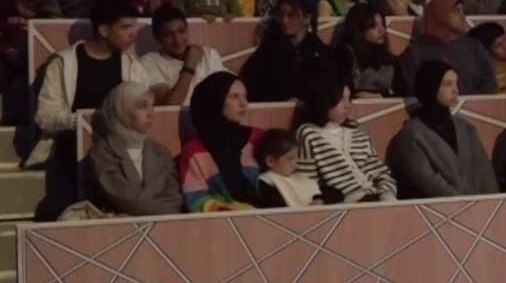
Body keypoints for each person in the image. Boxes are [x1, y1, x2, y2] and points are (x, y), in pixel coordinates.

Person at [34, 0, 150, 220]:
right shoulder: (63, 63)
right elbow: (45, 116)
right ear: (104, 30)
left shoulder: (133, 67)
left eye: (134, 27)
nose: (133, 34)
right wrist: (81, 122)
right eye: (126, 27)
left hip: (120, 153)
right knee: (57, 209)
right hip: (71, 152)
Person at [389, 61, 498, 197]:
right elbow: (427, 182)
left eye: (456, 83)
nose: (456, 90)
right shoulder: (412, 134)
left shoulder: (466, 128)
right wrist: (465, 203)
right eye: (447, 84)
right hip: (443, 207)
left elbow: (486, 175)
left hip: (481, 207)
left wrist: (491, 203)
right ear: (431, 87)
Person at [86, 82, 182, 215]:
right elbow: (123, 197)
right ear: (123, 110)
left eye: (152, 106)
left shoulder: (161, 152)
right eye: (142, 106)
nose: (151, 114)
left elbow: (174, 198)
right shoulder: (103, 152)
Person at [296, 79, 397, 202]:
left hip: (378, 199)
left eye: (349, 99)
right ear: (325, 100)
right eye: (341, 99)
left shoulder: (358, 133)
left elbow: (381, 173)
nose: (348, 106)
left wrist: (387, 195)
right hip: (347, 204)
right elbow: (307, 182)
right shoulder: (308, 133)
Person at [181, 72, 266, 211]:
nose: (244, 103)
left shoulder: (259, 137)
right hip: (223, 221)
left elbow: (281, 178)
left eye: (245, 96)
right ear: (216, 100)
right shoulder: (193, 151)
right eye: (235, 97)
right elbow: (196, 200)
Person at [243, 0, 338, 102]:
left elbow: (330, 88)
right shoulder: (267, 51)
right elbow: (254, 86)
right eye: (281, 15)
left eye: (291, 15)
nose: (284, 20)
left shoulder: (322, 53)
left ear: (307, 18)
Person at [398, 0, 497, 95]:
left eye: (463, 11)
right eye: (457, 11)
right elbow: (409, 93)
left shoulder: (475, 47)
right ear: (440, 13)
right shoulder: (415, 53)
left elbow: (490, 87)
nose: (463, 16)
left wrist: (463, 102)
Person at [141, 6, 227, 106]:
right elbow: (169, 105)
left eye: (181, 31)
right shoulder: (150, 62)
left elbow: (224, 95)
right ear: (157, 37)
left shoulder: (209, 55)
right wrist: (189, 66)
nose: (177, 40)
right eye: (169, 35)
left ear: (187, 29)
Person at [335, 4, 404, 98]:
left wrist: (379, 96)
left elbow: (402, 93)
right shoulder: (346, 55)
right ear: (359, 31)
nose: (381, 30)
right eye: (373, 25)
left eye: (382, 24)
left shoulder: (392, 60)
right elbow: (343, 91)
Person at [256, 129, 333, 208]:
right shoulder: (267, 181)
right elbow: (277, 209)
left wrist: (320, 199)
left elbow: (326, 192)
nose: (295, 164)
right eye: (290, 159)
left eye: (296, 158)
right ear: (271, 161)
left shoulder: (298, 176)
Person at [468, 21, 506, 93]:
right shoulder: (487, 74)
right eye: (498, 45)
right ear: (485, 51)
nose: (505, 47)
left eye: (504, 40)